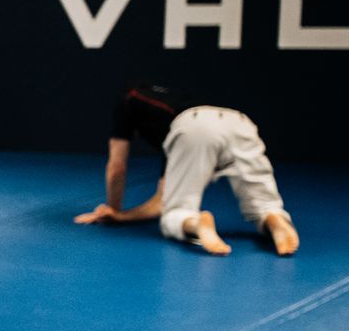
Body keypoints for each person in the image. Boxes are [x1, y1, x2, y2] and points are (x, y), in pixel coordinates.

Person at [75, 84, 299, 257]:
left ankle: (195, 223)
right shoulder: (171, 113)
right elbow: (157, 202)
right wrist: (123, 217)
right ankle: (274, 220)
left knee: (175, 212)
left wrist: (114, 211)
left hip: (195, 126)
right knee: (264, 204)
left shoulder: (128, 99)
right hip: (239, 122)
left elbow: (117, 167)